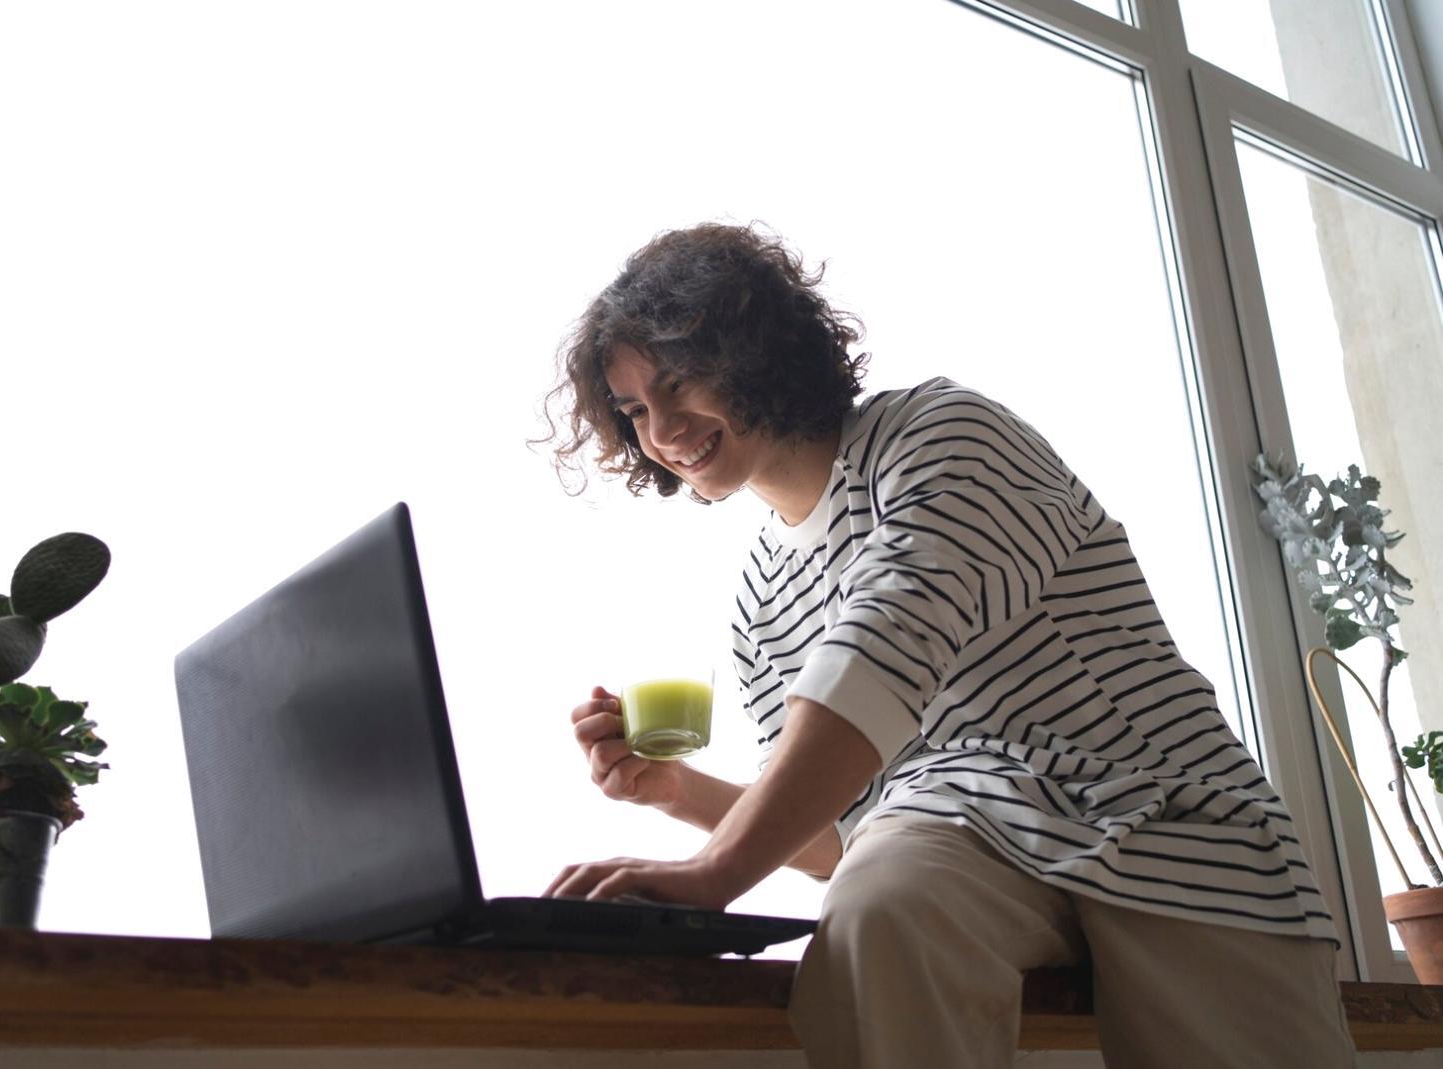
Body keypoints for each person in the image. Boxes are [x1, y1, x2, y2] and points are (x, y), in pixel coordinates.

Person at [539, 222, 1357, 1068]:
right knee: (877, 902)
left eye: (677, 384)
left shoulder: (939, 433)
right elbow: (840, 836)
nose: (663, 429)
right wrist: (678, 790)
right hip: (967, 831)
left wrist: (715, 870)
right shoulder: (762, 604)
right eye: (636, 411)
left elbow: (885, 650)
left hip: (1164, 817)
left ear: (750, 352)